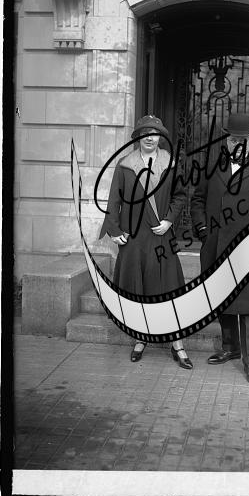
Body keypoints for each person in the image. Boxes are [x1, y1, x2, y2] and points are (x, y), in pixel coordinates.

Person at [190, 112, 249, 384]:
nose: (237, 143)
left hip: (248, 250)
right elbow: (197, 201)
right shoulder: (212, 167)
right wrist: (203, 231)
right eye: (233, 139)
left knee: (248, 304)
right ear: (226, 140)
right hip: (216, 246)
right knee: (222, 300)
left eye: (242, 139)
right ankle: (230, 347)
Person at [99, 115, 193, 369]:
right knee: (137, 290)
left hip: (161, 234)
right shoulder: (125, 165)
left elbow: (180, 196)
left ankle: (177, 344)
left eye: (154, 134)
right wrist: (114, 229)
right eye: (145, 133)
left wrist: (169, 220)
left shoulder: (171, 163)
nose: (150, 138)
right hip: (135, 237)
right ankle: (140, 339)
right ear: (138, 137)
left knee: (169, 290)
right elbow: (114, 200)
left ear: (160, 137)